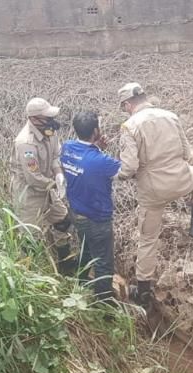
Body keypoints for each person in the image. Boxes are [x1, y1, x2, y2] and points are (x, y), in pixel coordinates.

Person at [116, 82, 193, 311]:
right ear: (144, 97)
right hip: (181, 180)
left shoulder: (129, 127)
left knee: (148, 239)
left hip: (153, 191)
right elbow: (188, 153)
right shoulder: (171, 116)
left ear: (128, 104)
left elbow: (129, 167)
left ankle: (144, 289)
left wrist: (117, 176)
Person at [60, 111, 120, 305]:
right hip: (97, 218)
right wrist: (101, 151)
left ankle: (81, 286)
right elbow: (126, 170)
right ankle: (104, 304)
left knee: (85, 250)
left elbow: (85, 162)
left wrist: (96, 147)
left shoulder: (67, 147)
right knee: (103, 262)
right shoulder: (102, 161)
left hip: (77, 214)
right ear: (96, 130)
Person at [10, 97, 73, 269]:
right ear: (34, 119)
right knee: (30, 238)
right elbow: (33, 177)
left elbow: (54, 157)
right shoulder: (26, 143)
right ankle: (30, 275)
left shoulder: (49, 133)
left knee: (63, 220)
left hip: (47, 187)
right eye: (47, 118)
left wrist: (59, 174)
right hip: (29, 194)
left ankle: (65, 265)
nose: (51, 121)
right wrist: (54, 184)